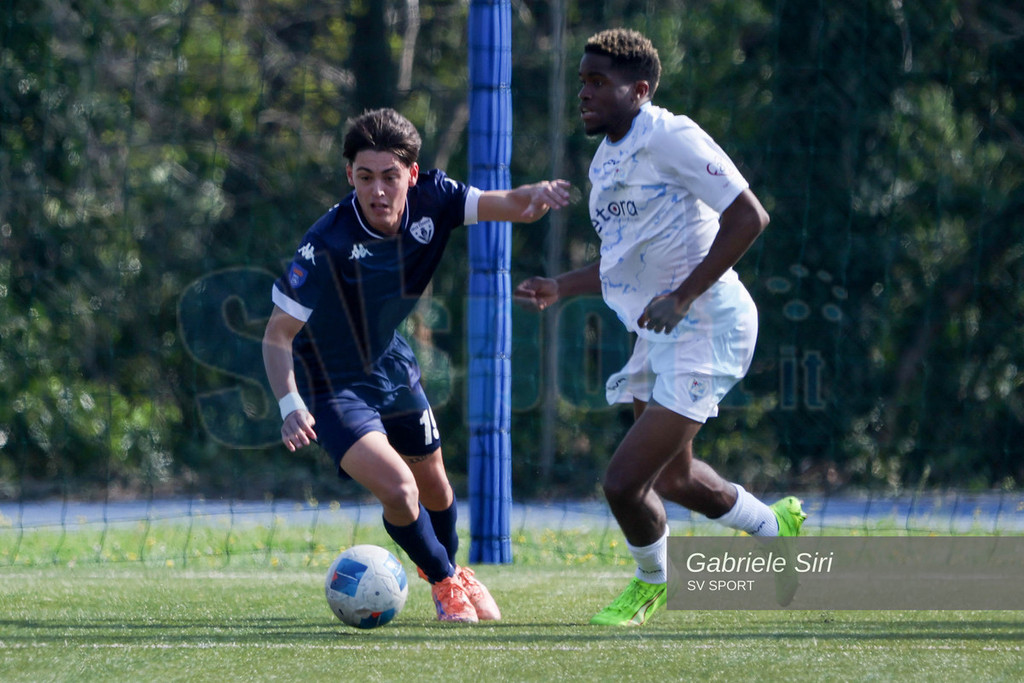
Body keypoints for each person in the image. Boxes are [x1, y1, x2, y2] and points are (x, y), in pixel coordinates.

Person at [514, 29, 805, 626]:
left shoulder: (671, 136)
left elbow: (750, 217)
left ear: (640, 90)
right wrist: (561, 286)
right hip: (662, 331)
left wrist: (683, 295)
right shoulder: (605, 159)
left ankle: (653, 583)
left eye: (599, 82)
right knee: (675, 477)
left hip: (708, 324)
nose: (584, 93)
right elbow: (625, 261)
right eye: (582, 81)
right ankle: (774, 526)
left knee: (623, 483)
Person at [263, 107, 571, 623]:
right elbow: (277, 335)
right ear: (350, 176)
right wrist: (289, 404)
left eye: (389, 176)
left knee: (437, 488)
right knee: (400, 489)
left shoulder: (436, 197)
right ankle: (446, 581)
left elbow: (510, 204)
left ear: (412, 174)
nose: (378, 191)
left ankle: (451, 569)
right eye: (365, 177)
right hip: (332, 385)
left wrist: (536, 196)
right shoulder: (326, 243)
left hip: (390, 365)